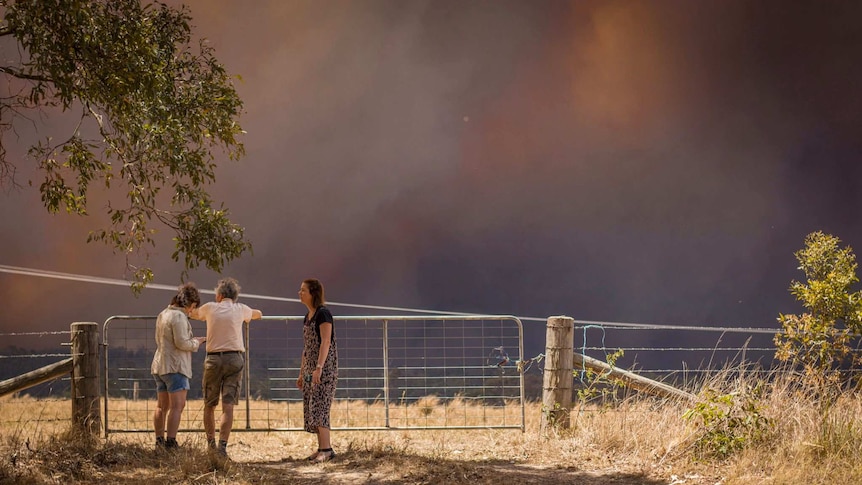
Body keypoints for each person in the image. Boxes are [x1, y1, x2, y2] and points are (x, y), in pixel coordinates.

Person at [191, 277, 262, 458]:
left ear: (220, 295)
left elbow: (193, 314)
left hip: (213, 360)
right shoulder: (241, 309)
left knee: (209, 404)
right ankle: (222, 447)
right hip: (234, 359)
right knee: (227, 406)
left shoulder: (209, 308)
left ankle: (210, 445)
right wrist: (251, 315)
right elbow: (258, 314)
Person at [151, 283, 206, 450]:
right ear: (191, 304)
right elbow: (182, 342)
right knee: (178, 406)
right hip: (175, 366)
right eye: (193, 307)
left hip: (160, 364)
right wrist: (197, 342)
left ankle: (159, 440)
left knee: (162, 406)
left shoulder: (163, 314)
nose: (192, 311)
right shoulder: (179, 317)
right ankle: (171, 442)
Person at [295, 278, 338, 462]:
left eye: (303, 290)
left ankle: (327, 450)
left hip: (324, 368)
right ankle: (321, 448)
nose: (300, 293)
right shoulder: (308, 316)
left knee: (321, 406)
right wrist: (302, 372)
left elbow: (325, 342)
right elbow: (307, 347)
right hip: (311, 369)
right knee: (313, 406)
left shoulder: (323, 314)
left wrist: (319, 367)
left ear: (313, 293)